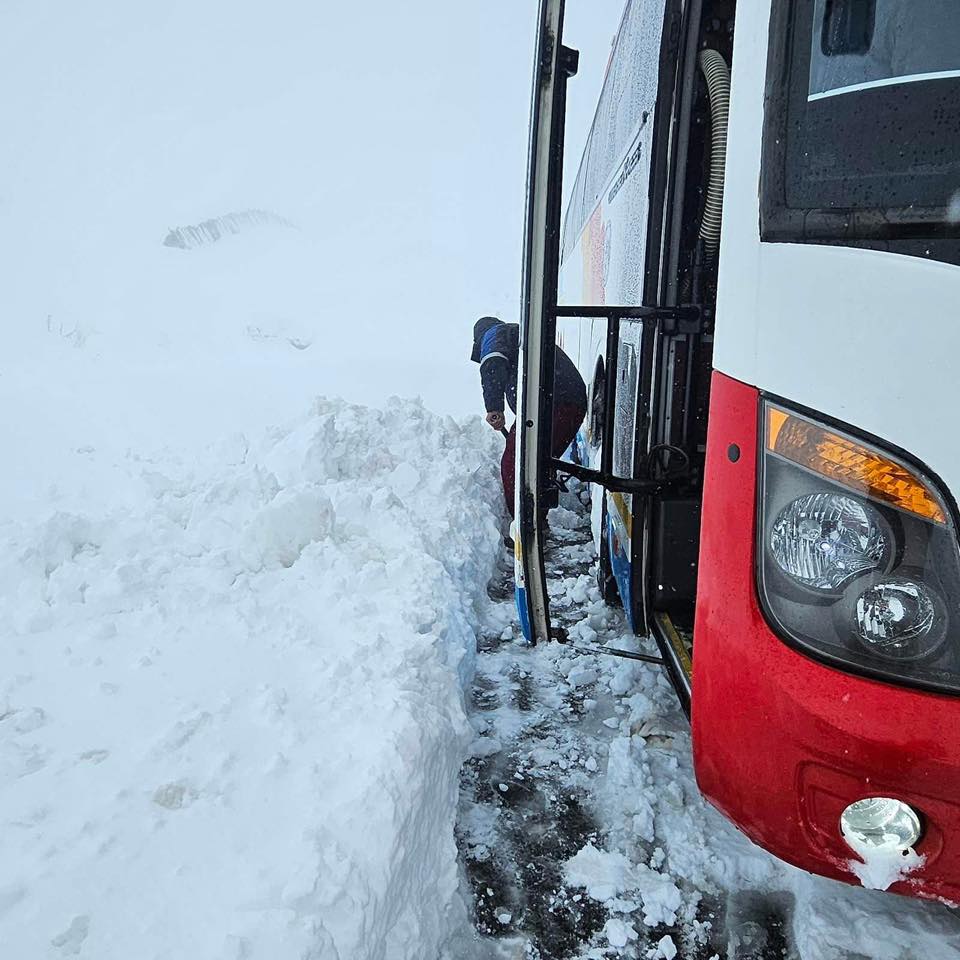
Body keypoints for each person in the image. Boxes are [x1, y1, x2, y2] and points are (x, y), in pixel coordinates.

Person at [471, 316, 587, 518]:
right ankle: (537, 522)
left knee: (515, 462)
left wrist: (494, 408)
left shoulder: (494, 334)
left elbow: (492, 364)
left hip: (554, 403)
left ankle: (523, 525)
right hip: (564, 402)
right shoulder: (516, 339)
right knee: (536, 464)